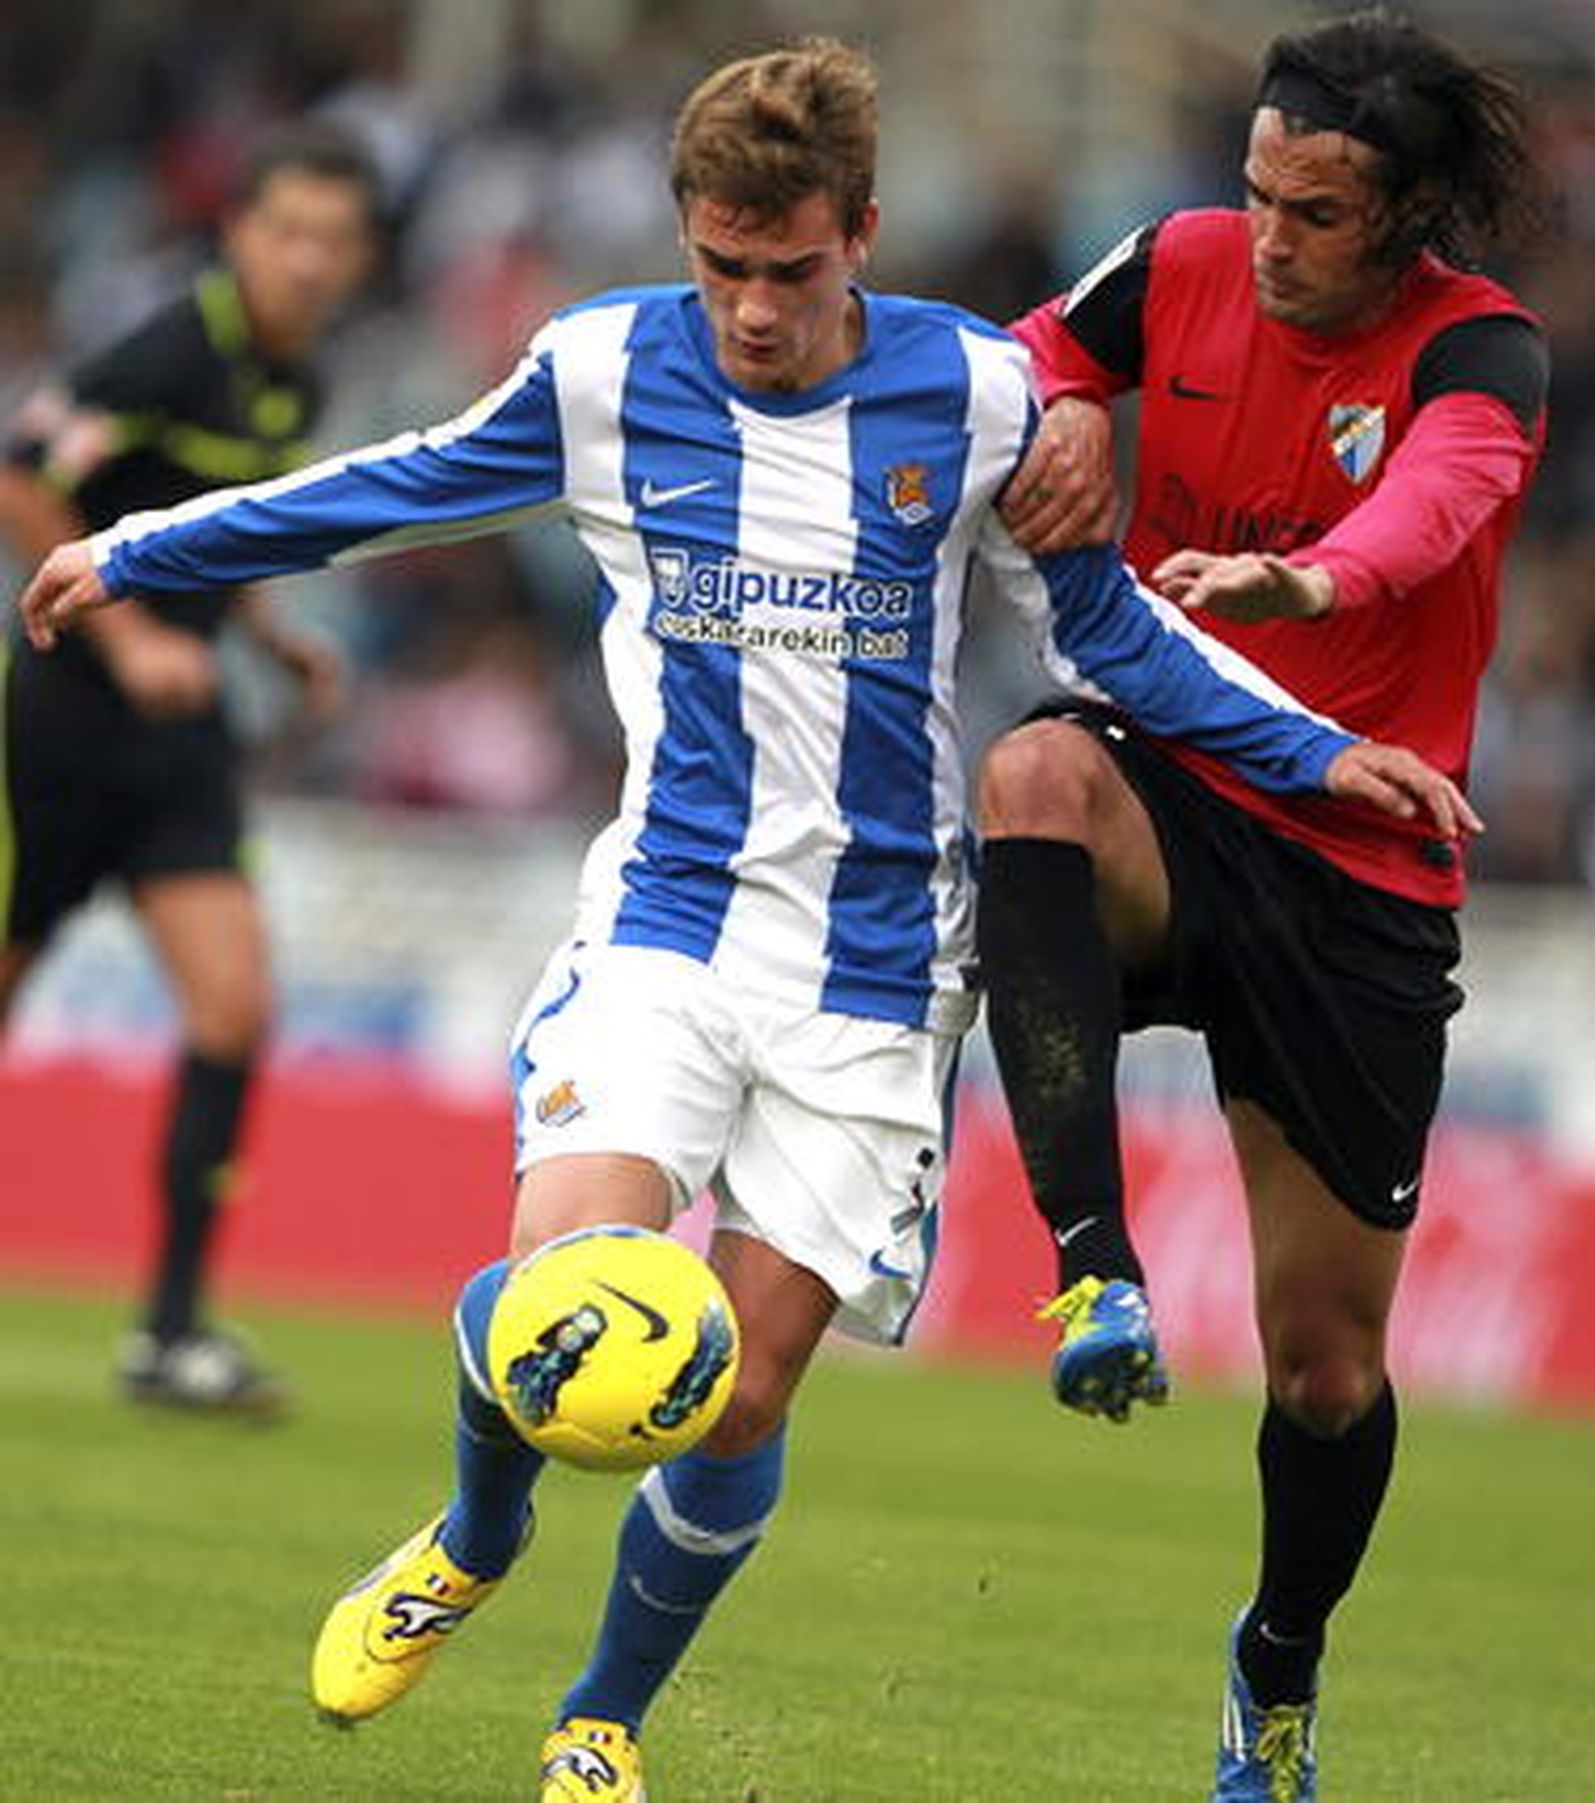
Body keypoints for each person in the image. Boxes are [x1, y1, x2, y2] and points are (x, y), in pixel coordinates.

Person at [16, 38, 1476, 1800]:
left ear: (861, 233)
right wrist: (149, 549)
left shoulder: (978, 401)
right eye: (723, 266)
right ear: (686, 235)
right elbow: (392, 484)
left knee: (734, 1402)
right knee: (575, 1309)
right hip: (667, 928)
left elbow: (1113, 642)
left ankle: (599, 1723)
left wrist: (1326, 757)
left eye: (792, 270)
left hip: (874, 976)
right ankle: (474, 1538)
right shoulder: (605, 368)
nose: (757, 309)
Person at [986, 12, 1547, 1799]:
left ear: (1401, 220)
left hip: (1364, 854)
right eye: (1260, 192)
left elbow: (1443, 510)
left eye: (1317, 212)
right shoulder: (1181, 262)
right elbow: (1030, 349)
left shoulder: (1483, 348)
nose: (1274, 236)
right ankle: (1092, 1279)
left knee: (1322, 1372)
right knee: (1034, 780)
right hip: (1173, 772)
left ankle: (1278, 1663)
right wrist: (1072, 400)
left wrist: (1306, 581)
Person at [0, 122, 380, 1415]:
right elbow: (24, 477)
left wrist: (271, 634)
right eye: (289, 232)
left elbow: (213, 536)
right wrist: (140, 639)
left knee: (233, 1011)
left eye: (334, 240)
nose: (310, 261)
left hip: (182, 744)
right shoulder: (170, 346)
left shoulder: (300, 387)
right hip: (53, 732)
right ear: (240, 236)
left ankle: (169, 1334)